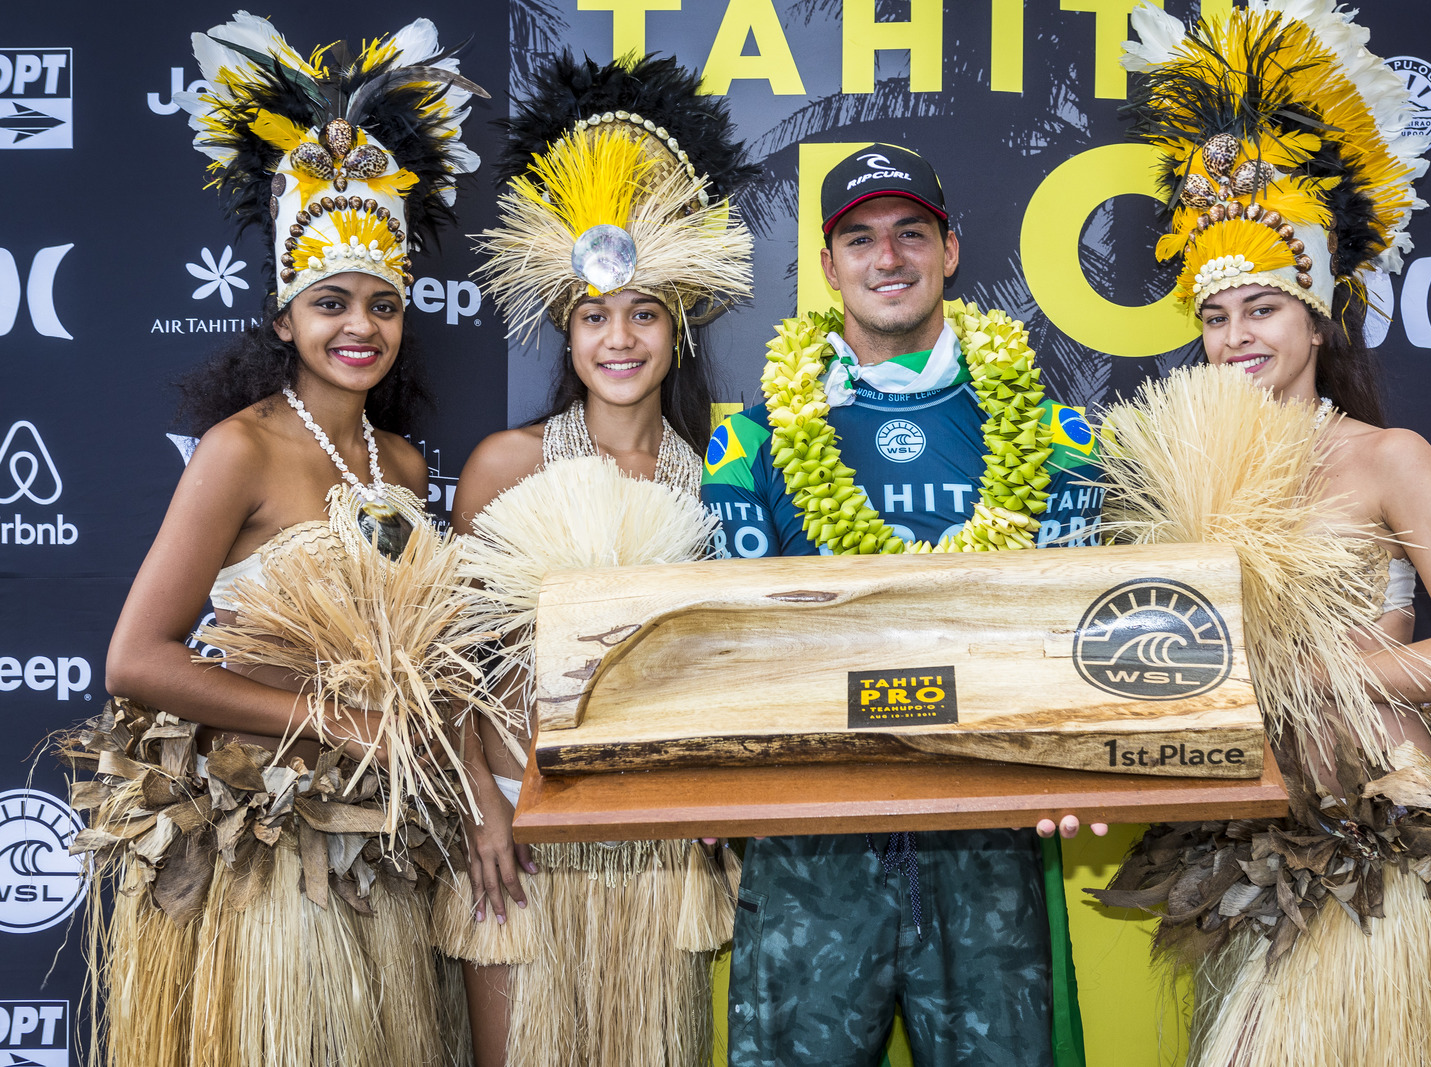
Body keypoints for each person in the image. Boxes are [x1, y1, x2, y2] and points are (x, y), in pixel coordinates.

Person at [1088, 3, 1431, 1064]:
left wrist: (1326, 675)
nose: (1236, 337)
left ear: (1316, 315)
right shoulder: (1187, 477)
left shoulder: (1386, 457)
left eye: (1263, 309)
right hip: (1260, 845)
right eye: (1216, 315)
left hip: (1390, 841)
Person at [63, 13, 483, 1067]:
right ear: (284, 314)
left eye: (383, 303)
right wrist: (326, 719)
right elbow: (137, 659)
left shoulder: (406, 465)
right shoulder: (237, 450)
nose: (361, 326)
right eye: (331, 300)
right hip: (270, 849)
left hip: (378, 845)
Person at [700, 143, 1103, 1067]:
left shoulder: (1050, 435)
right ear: (828, 266)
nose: (889, 259)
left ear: (950, 250)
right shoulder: (756, 439)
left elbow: (1068, 639)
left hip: (985, 832)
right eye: (861, 239)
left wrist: (1076, 769)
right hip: (811, 842)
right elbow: (740, 647)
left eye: (911, 233)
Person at [429, 53, 757, 1067]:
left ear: (679, 327)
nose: (619, 338)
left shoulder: (718, 477)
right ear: (566, 332)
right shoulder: (505, 463)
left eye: (643, 313)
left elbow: (729, 672)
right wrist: (482, 808)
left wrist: (714, 803)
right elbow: (441, 661)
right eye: (594, 315)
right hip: (517, 835)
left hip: (653, 845)